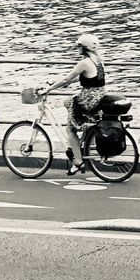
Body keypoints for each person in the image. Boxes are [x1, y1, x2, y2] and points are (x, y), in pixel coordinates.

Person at [39, 33, 106, 175]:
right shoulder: (98, 60)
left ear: (84, 48)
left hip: (88, 99)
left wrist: (49, 89)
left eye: (79, 46)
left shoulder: (83, 63)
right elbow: (83, 77)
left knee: (70, 128)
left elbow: (67, 78)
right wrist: (63, 83)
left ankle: (78, 161)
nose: (77, 49)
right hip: (99, 97)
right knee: (80, 119)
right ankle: (80, 145)